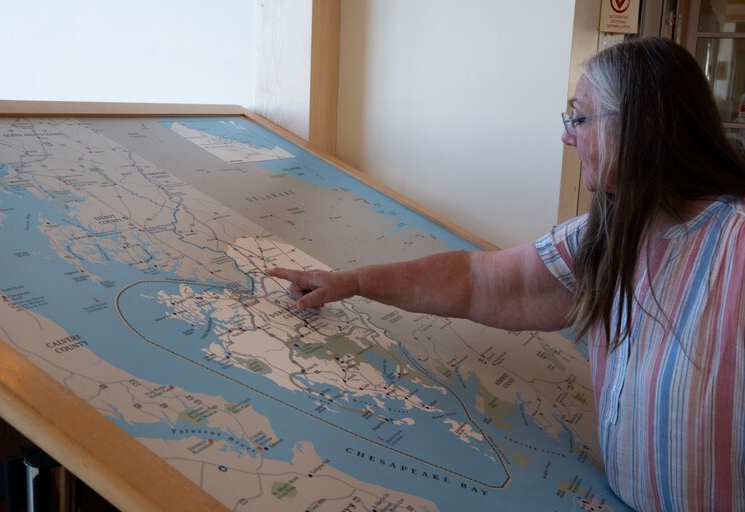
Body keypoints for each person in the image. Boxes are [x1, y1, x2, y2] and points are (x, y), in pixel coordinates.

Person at [266, 37, 745, 511]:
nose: (567, 135)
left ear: (646, 125)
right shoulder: (604, 235)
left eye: (580, 117)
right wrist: (350, 282)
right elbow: (477, 282)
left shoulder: (736, 245)